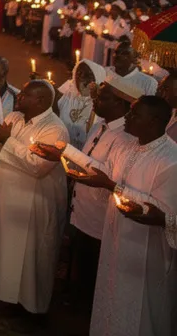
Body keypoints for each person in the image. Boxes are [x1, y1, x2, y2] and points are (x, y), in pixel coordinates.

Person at [32, 71, 139, 302]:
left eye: (102, 98)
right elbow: (85, 157)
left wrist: (65, 152)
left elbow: (107, 174)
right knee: (76, 266)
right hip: (81, 208)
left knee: (91, 279)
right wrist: (60, 156)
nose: (95, 101)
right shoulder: (101, 124)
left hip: (99, 219)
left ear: (119, 103)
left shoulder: (126, 137)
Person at [0, 81, 69, 326]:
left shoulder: (56, 130)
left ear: (41, 101)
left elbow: (38, 166)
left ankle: (33, 312)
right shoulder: (15, 117)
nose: (20, 95)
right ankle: (8, 300)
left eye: (26, 94)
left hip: (33, 203)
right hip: (5, 196)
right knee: (7, 250)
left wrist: (6, 140)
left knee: (31, 256)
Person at [82, 95, 177, 336]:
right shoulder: (128, 144)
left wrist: (114, 188)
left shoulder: (171, 160)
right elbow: (108, 173)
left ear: (155, 122)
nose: (127, 117)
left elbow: (164, 213)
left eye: (135, 114)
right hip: (115, 237)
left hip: (145, 251)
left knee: (140, 308)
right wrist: (71, 160)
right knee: (111, 296)